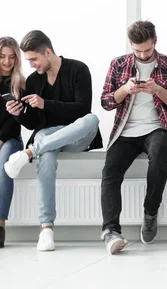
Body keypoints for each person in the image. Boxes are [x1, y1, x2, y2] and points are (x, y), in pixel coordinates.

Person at [4, 30, 102, 251]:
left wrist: (45, 103)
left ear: (47, 52)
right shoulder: (33, 80)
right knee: (46, 155)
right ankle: (46, 229)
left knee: (92, 119)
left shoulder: (78, 69)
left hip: (75, 135)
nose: (31, 65)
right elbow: (32, 122)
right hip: (47, 136)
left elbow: (82, 108)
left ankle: (28, 153)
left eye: (34, 59)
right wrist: (17, 113)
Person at [99, 21, 167, 255]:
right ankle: (111, 231)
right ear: (131, 45)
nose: (142, 55)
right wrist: (124, 90)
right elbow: (106, 102)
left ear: (155, 41)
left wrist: (158, 90)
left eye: (147, 50)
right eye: (137, 50)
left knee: (159, 154)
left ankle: (150, 213)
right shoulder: (118, 64)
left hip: (157, 128)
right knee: (110, 170)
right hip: (125, 131)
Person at [0, 37, 25, 248]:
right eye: (2, 56)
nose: (7, 61)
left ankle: (0, 225)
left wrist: (0, 139)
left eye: (11, 57)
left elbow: (15, 121)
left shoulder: (21, 83)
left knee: (3, 163)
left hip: (10, 138)